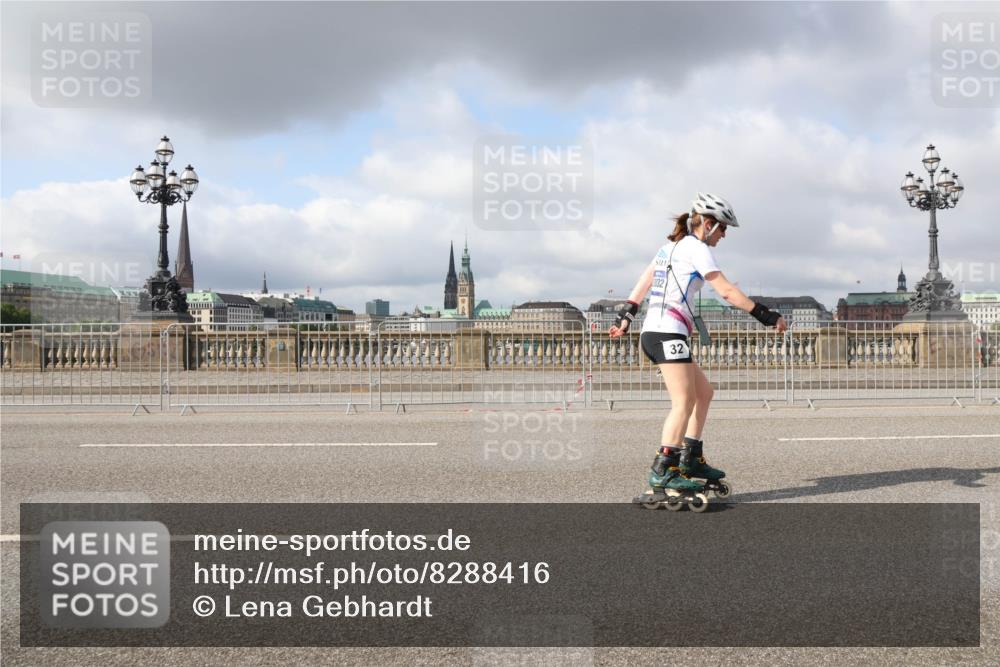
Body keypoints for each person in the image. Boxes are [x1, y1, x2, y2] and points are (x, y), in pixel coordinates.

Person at [609, 193, 788, 504]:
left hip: (657, 331)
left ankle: (690, 457)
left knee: (704, 393)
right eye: (722, 229)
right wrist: (766, 315)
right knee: (683, 401)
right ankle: (664, 470)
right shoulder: (697, 248)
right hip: (667, 334)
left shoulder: (669, 248)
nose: (724, 235)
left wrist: (626, 316)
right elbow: (727, 291)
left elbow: (643, 282)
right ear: (708, 224)